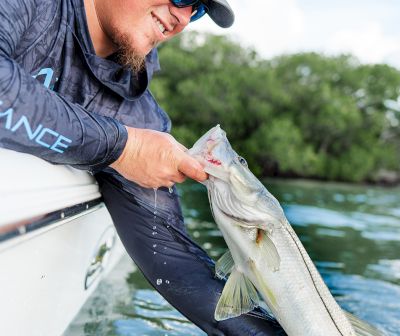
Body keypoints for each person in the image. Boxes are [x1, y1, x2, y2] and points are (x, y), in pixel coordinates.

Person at [0, 0, 285, 334]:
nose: (183, 18)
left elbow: (175, 263)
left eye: (198, 10)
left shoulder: (138, 117)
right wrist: (122, 147)